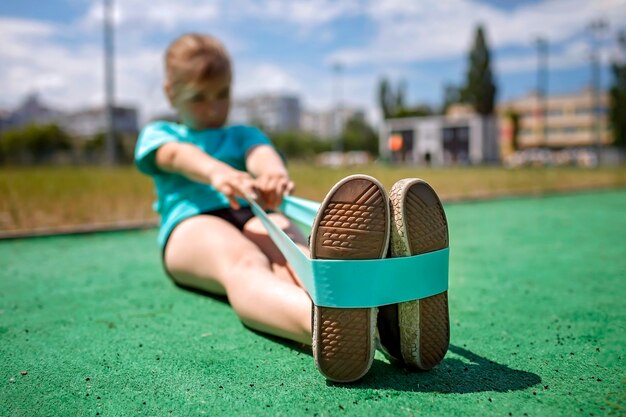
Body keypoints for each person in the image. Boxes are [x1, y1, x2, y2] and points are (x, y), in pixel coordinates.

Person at [135, 33, 449, 383]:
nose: (213, 108)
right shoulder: (159, 133)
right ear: (170, 94)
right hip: (191, 224)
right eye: (198, 98)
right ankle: (322, 322)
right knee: (243, 262)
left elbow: (261, 155)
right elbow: (177, 156)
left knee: (296, 257)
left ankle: (379, 316)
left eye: (222, 95)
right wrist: (218, 173)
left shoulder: (241, 133)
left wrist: (273, 176)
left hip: (252, 214)